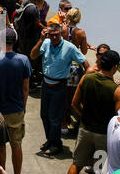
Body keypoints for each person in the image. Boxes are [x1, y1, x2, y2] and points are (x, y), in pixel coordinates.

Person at [65, 50, 120, 174]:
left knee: (76, 165)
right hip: (104, 135)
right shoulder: (117, 90)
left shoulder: (86, 78)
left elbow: (74, 104)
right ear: (115, 67)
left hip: (85, 129)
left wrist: (84, 115)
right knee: (99, 172)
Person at [30, 23, 89, 156]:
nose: (54, 38)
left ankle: (56, 144)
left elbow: (85, 63)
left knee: (55, 118)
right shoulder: (45, 43)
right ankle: (50, 140)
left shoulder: (69, 48)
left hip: (59, 87)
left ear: (61, 34)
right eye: (51, 35)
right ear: (48, 34)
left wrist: (85, 81)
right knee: (44, 115)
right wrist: (40, 40)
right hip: (46, 84)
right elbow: (33, 56)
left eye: (57, 35)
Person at [0, 28, 30, 174]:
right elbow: (25, 88)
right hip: (15, 109)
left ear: (1, 42)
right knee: (16, 146)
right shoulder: (23, 60)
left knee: (0, 147)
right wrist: (23, 107)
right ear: (15, 41)